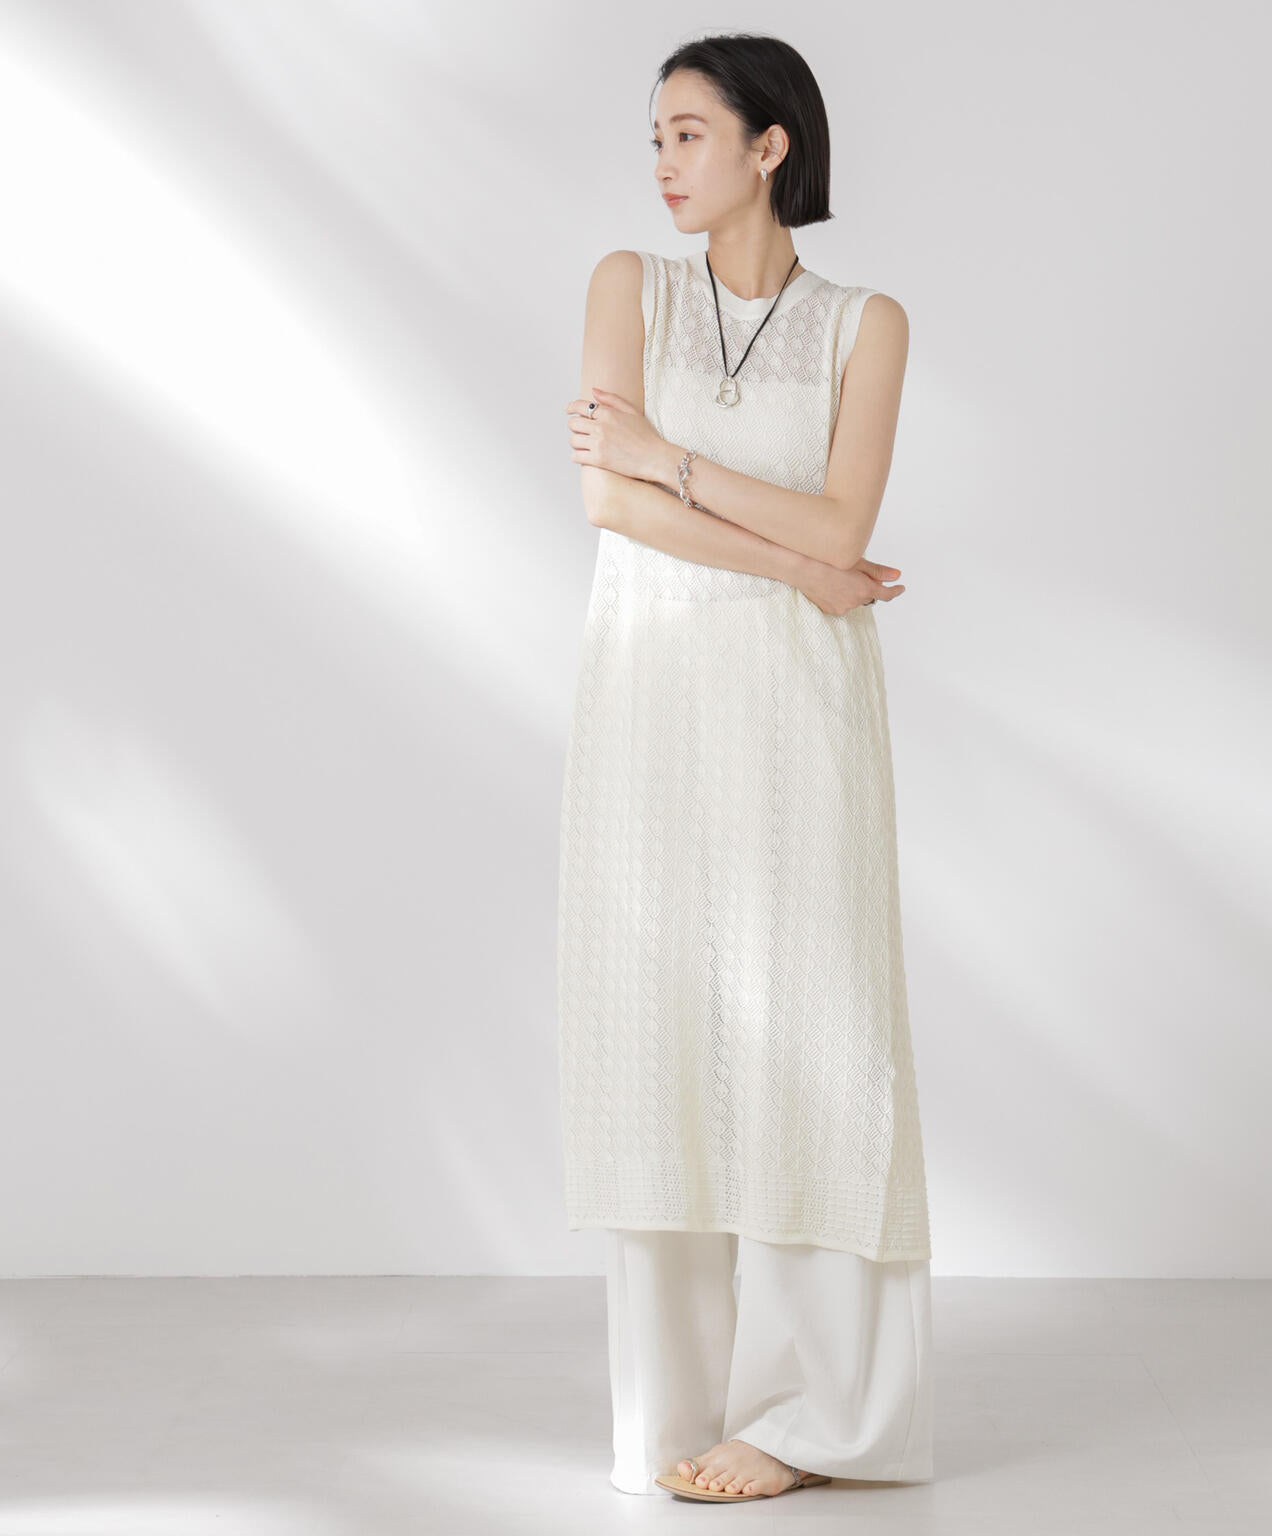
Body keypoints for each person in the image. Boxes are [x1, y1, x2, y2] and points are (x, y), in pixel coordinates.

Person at [556, 31, 933, 1503]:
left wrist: (672, 457)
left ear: (770, 147)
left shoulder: (865, 323)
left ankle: (818, 1419)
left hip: (798, 711)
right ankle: (679, 1411)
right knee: (661, 1034)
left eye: (689, 134)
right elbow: (610, 508)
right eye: (655, 137)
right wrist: (788, 556)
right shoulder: (627, 289)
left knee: (817, 1032)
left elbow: (845, 528)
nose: (661, 163)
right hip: (652, 701)